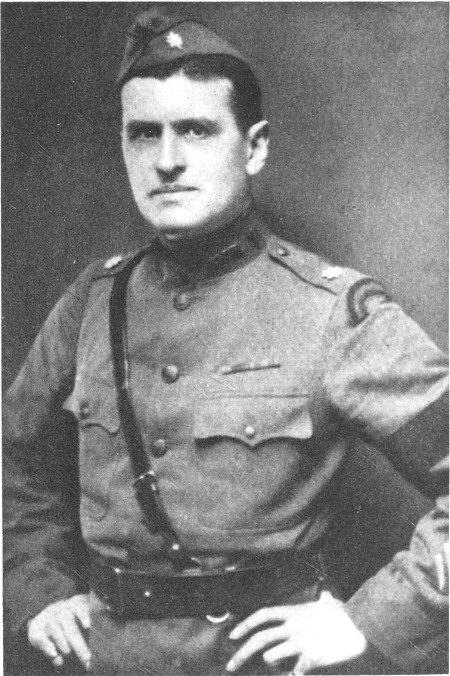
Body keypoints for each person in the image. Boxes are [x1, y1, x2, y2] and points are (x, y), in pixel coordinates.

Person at [3, 9, 448, 676]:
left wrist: (373, 620)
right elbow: (15, 464)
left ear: (255, 147)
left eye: (196, 130)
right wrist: (37, 586)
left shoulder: (331, 312)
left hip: (261, 664)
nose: (167, 161)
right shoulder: (91, 303)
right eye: (144, 134)